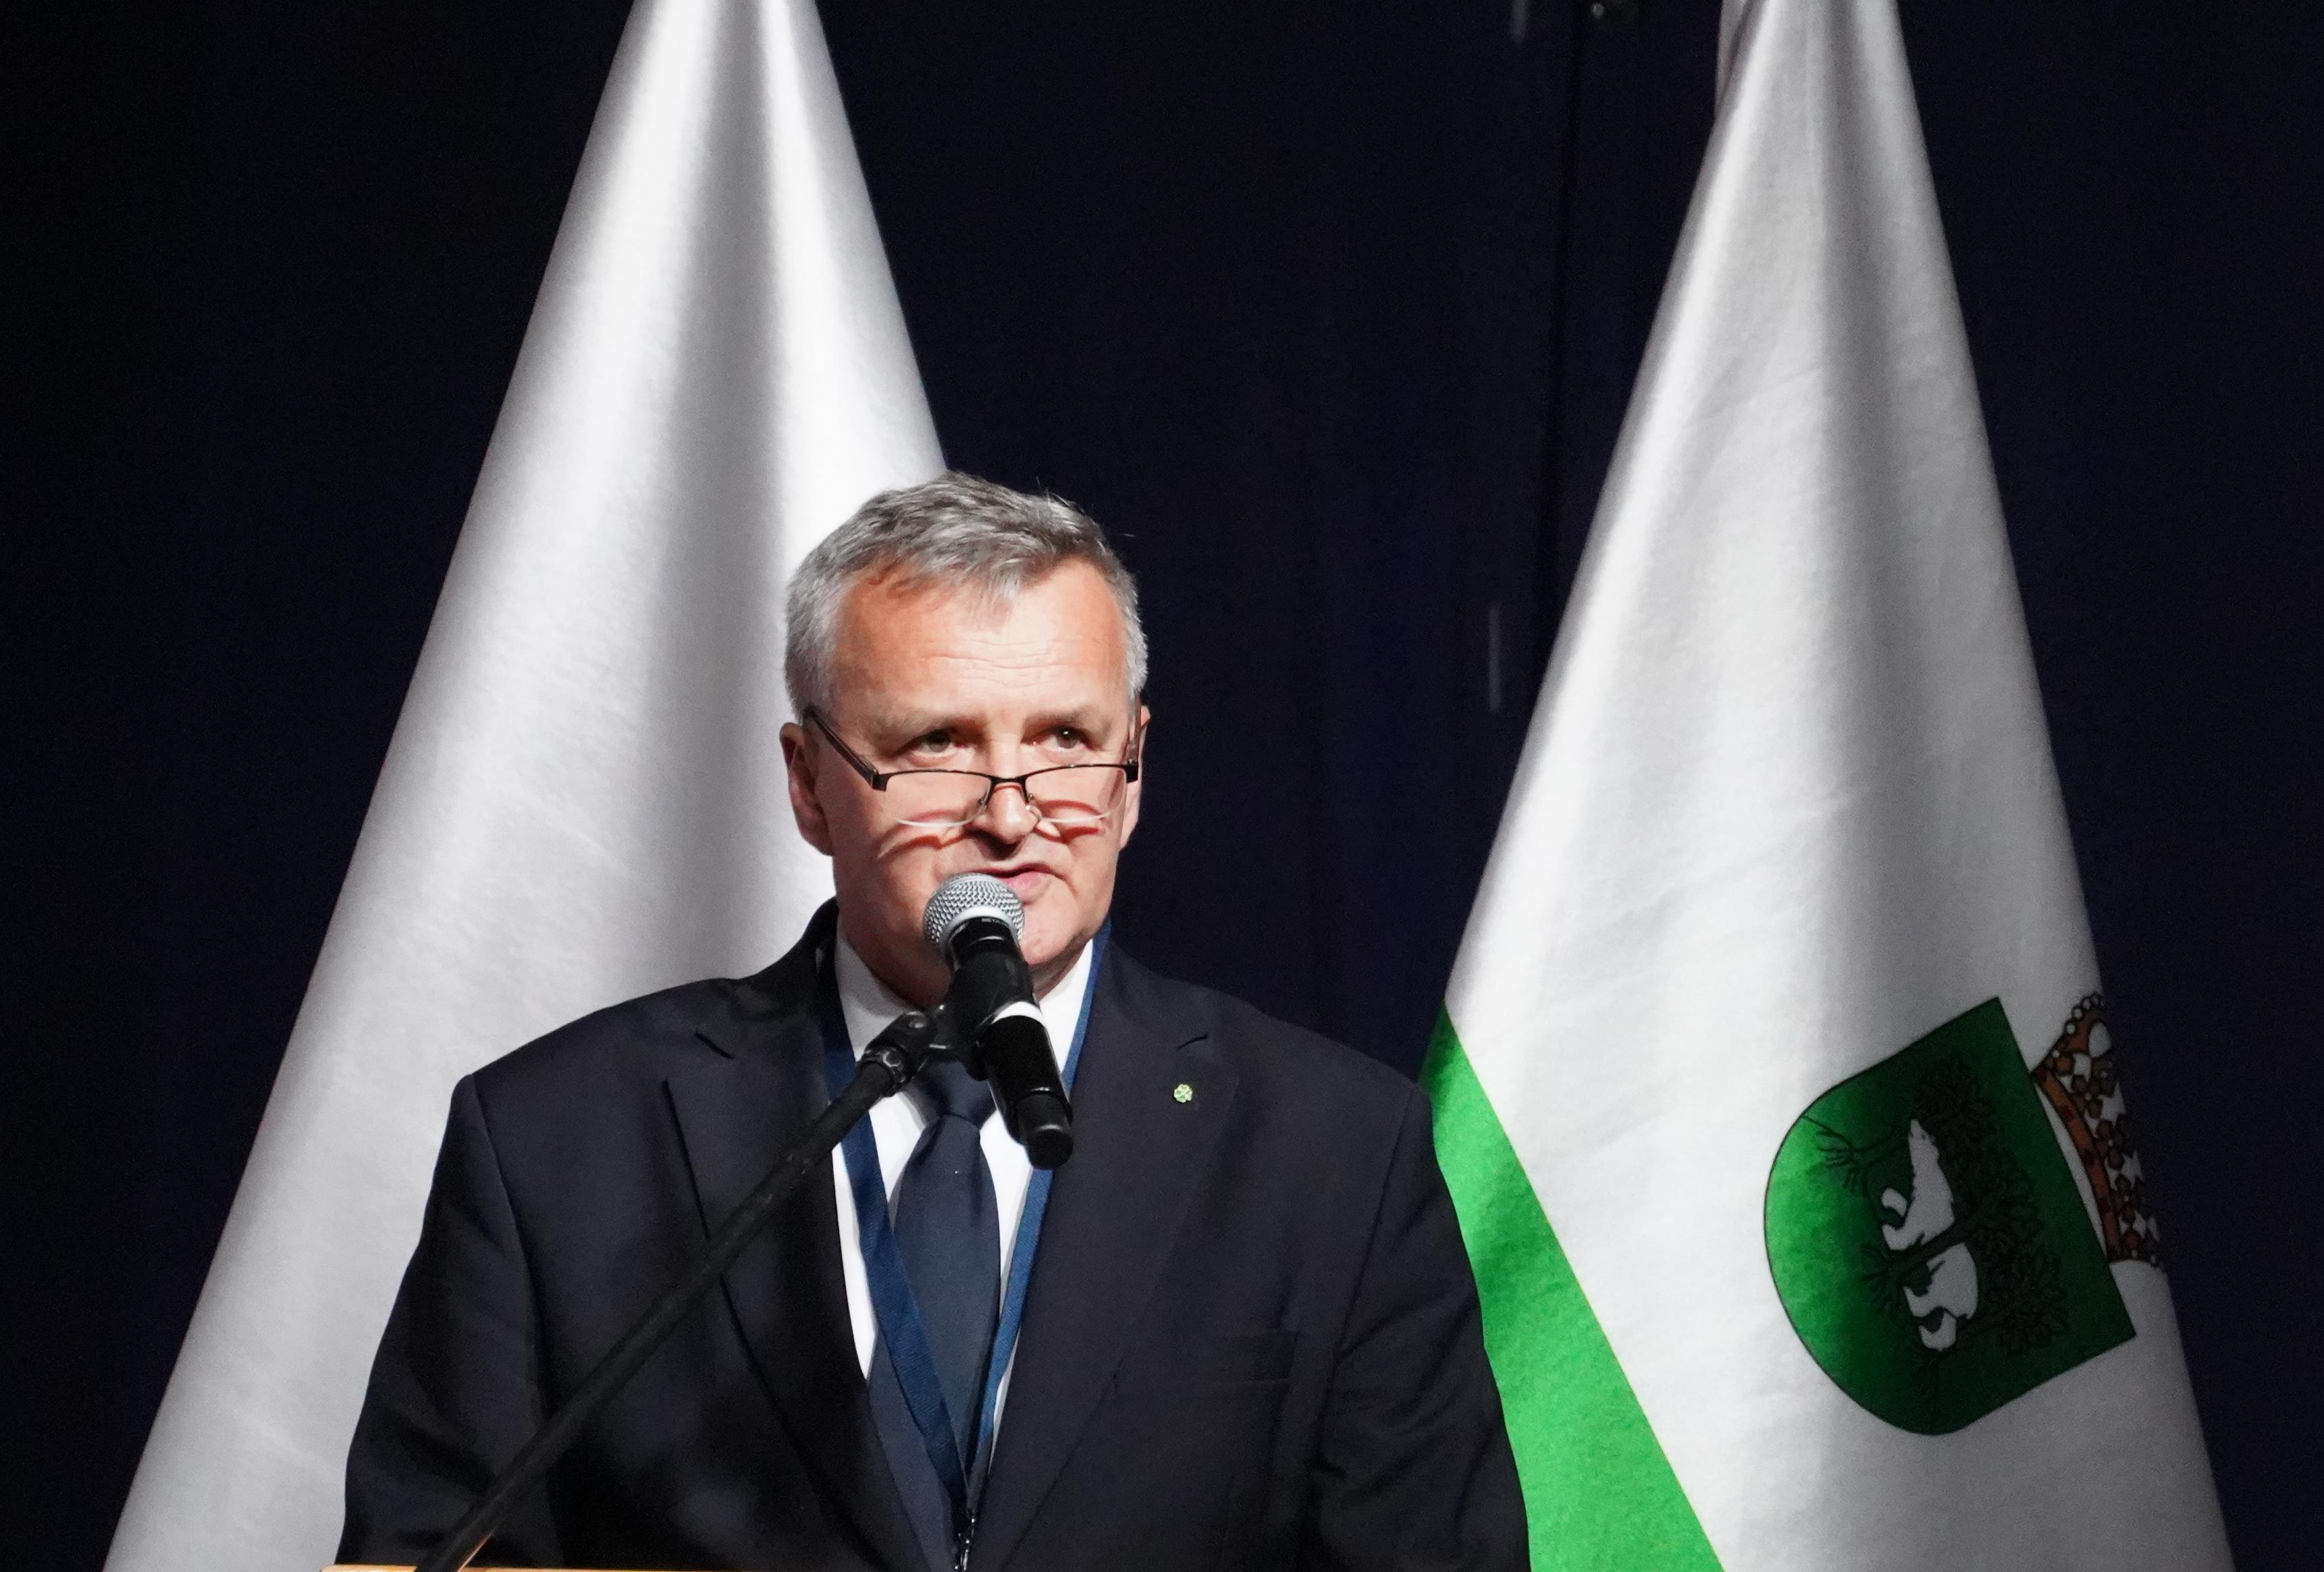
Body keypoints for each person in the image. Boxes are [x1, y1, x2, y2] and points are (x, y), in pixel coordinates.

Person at [341, 472, 1528, 1571]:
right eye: (938, 745)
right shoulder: (556, 1139)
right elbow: (432, 1552)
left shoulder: (1333, 1152)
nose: (1011, 818)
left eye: (1066, 741)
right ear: (809, 783)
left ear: (1133, 769)